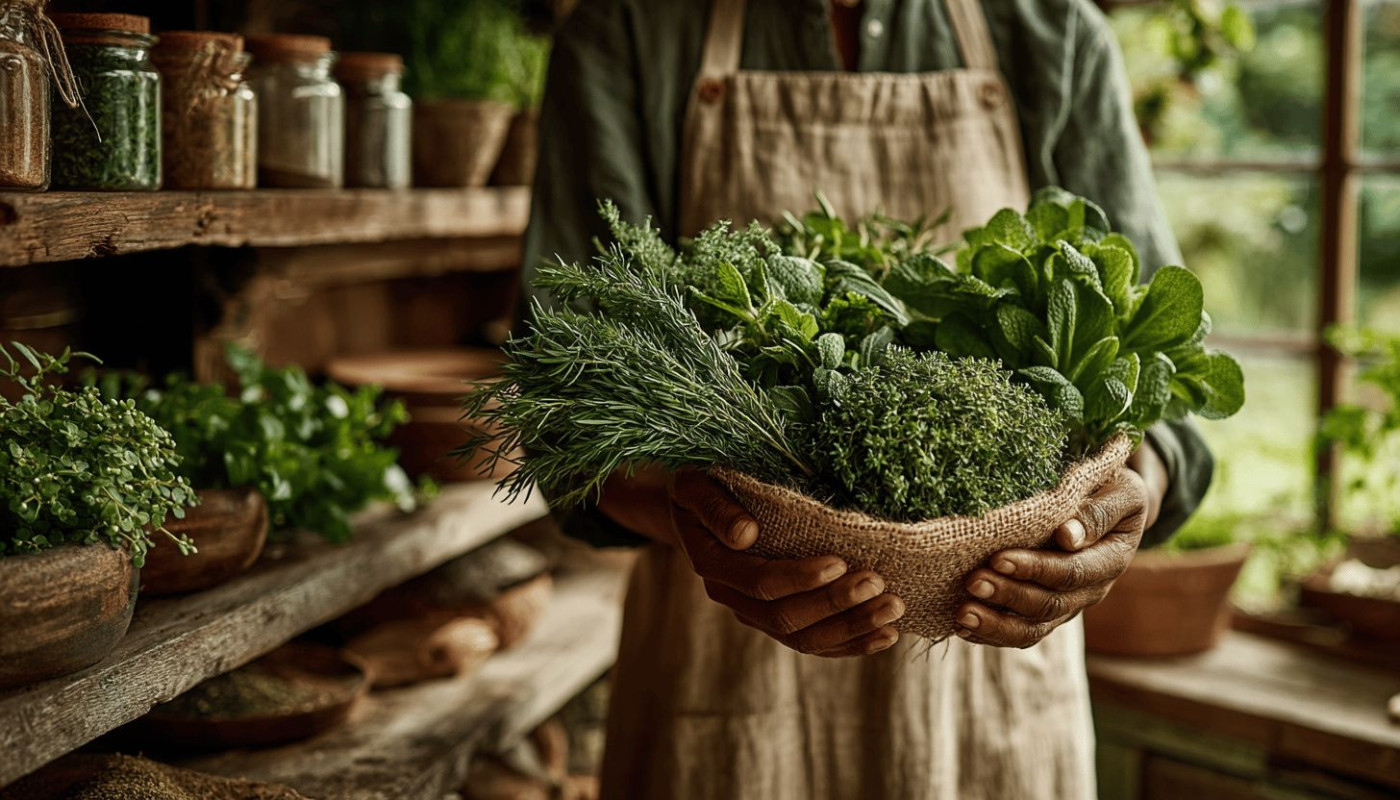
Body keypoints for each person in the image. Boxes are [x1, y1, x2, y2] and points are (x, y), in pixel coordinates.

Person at [524, 1, 1215, 798]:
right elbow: (564, 415)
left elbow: (1169, 401)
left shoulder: (1052, 32)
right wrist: (688, 512)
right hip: (722, 671)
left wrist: (1118, 506)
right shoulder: (629, 32)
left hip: (992, 689)